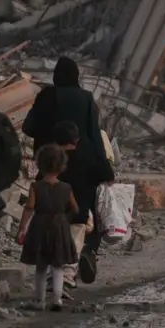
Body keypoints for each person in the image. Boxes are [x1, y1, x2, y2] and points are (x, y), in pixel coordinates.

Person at [20, 57, 110, 288]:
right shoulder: (87, 99)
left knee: (50, 215)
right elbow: (94, 135)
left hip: (51, 164)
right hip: (83, 165)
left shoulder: (46, 96)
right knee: (80, 216)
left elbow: (27, 127)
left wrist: (47, 133)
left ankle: (54, 269)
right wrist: (104, 168)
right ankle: (76, 261)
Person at [53, 121, 114, 296]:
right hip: (79, 212)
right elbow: (107, 175)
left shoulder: (52, 158)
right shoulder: (86, 157)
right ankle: (67, 276)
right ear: (76, 140)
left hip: (53, 211)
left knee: (54, 244)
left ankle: (52, 276)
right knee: (74, 243)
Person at [18, 144, 77, 312]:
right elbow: (75, 208)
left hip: (40, 227)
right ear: (62, 166)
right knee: (58, 265)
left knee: (41, 265)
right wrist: (64, 219)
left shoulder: (36, 187)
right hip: (60, 227)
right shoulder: (66, 188)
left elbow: (29, 207)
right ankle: (57, 299)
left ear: (39, 164)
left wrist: (22, 228)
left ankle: (39, 300)